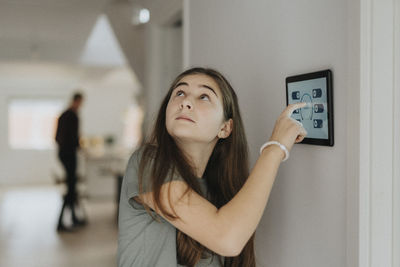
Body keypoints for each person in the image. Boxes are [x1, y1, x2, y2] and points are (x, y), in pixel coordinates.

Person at [117, 67, 307, 266]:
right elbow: (227, 238)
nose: (186, 102)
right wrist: (275, 148)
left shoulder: (223, 193)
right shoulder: (148, 162)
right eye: (180, 93)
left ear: (225, 128)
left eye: (204, 96)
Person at [55, 92, 87, 232]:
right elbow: (74, 138)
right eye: (81, 102)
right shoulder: (73, 116)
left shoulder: (63, 115)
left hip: (63, 153)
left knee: (72, 187)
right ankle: (60, 222)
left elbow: (56, 137)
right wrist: (79, 147)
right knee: (70, 189)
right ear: (77, 101)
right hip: (69, 154)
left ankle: (73, 218)